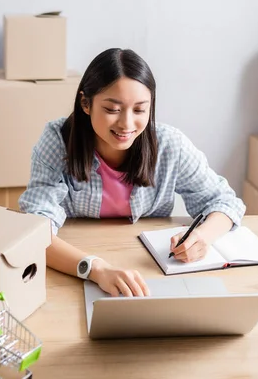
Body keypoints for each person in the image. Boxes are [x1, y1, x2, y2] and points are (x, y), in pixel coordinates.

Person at [19, 48, 245, 297]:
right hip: (75, 267)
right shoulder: (57, 140)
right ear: (86, 103)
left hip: (151, 271)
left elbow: (224, 201)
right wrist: (97, 269)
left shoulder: (170, 145)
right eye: (112, 109)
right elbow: (35, 231)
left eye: (139, 110)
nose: (126, 124)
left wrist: (203, 236)